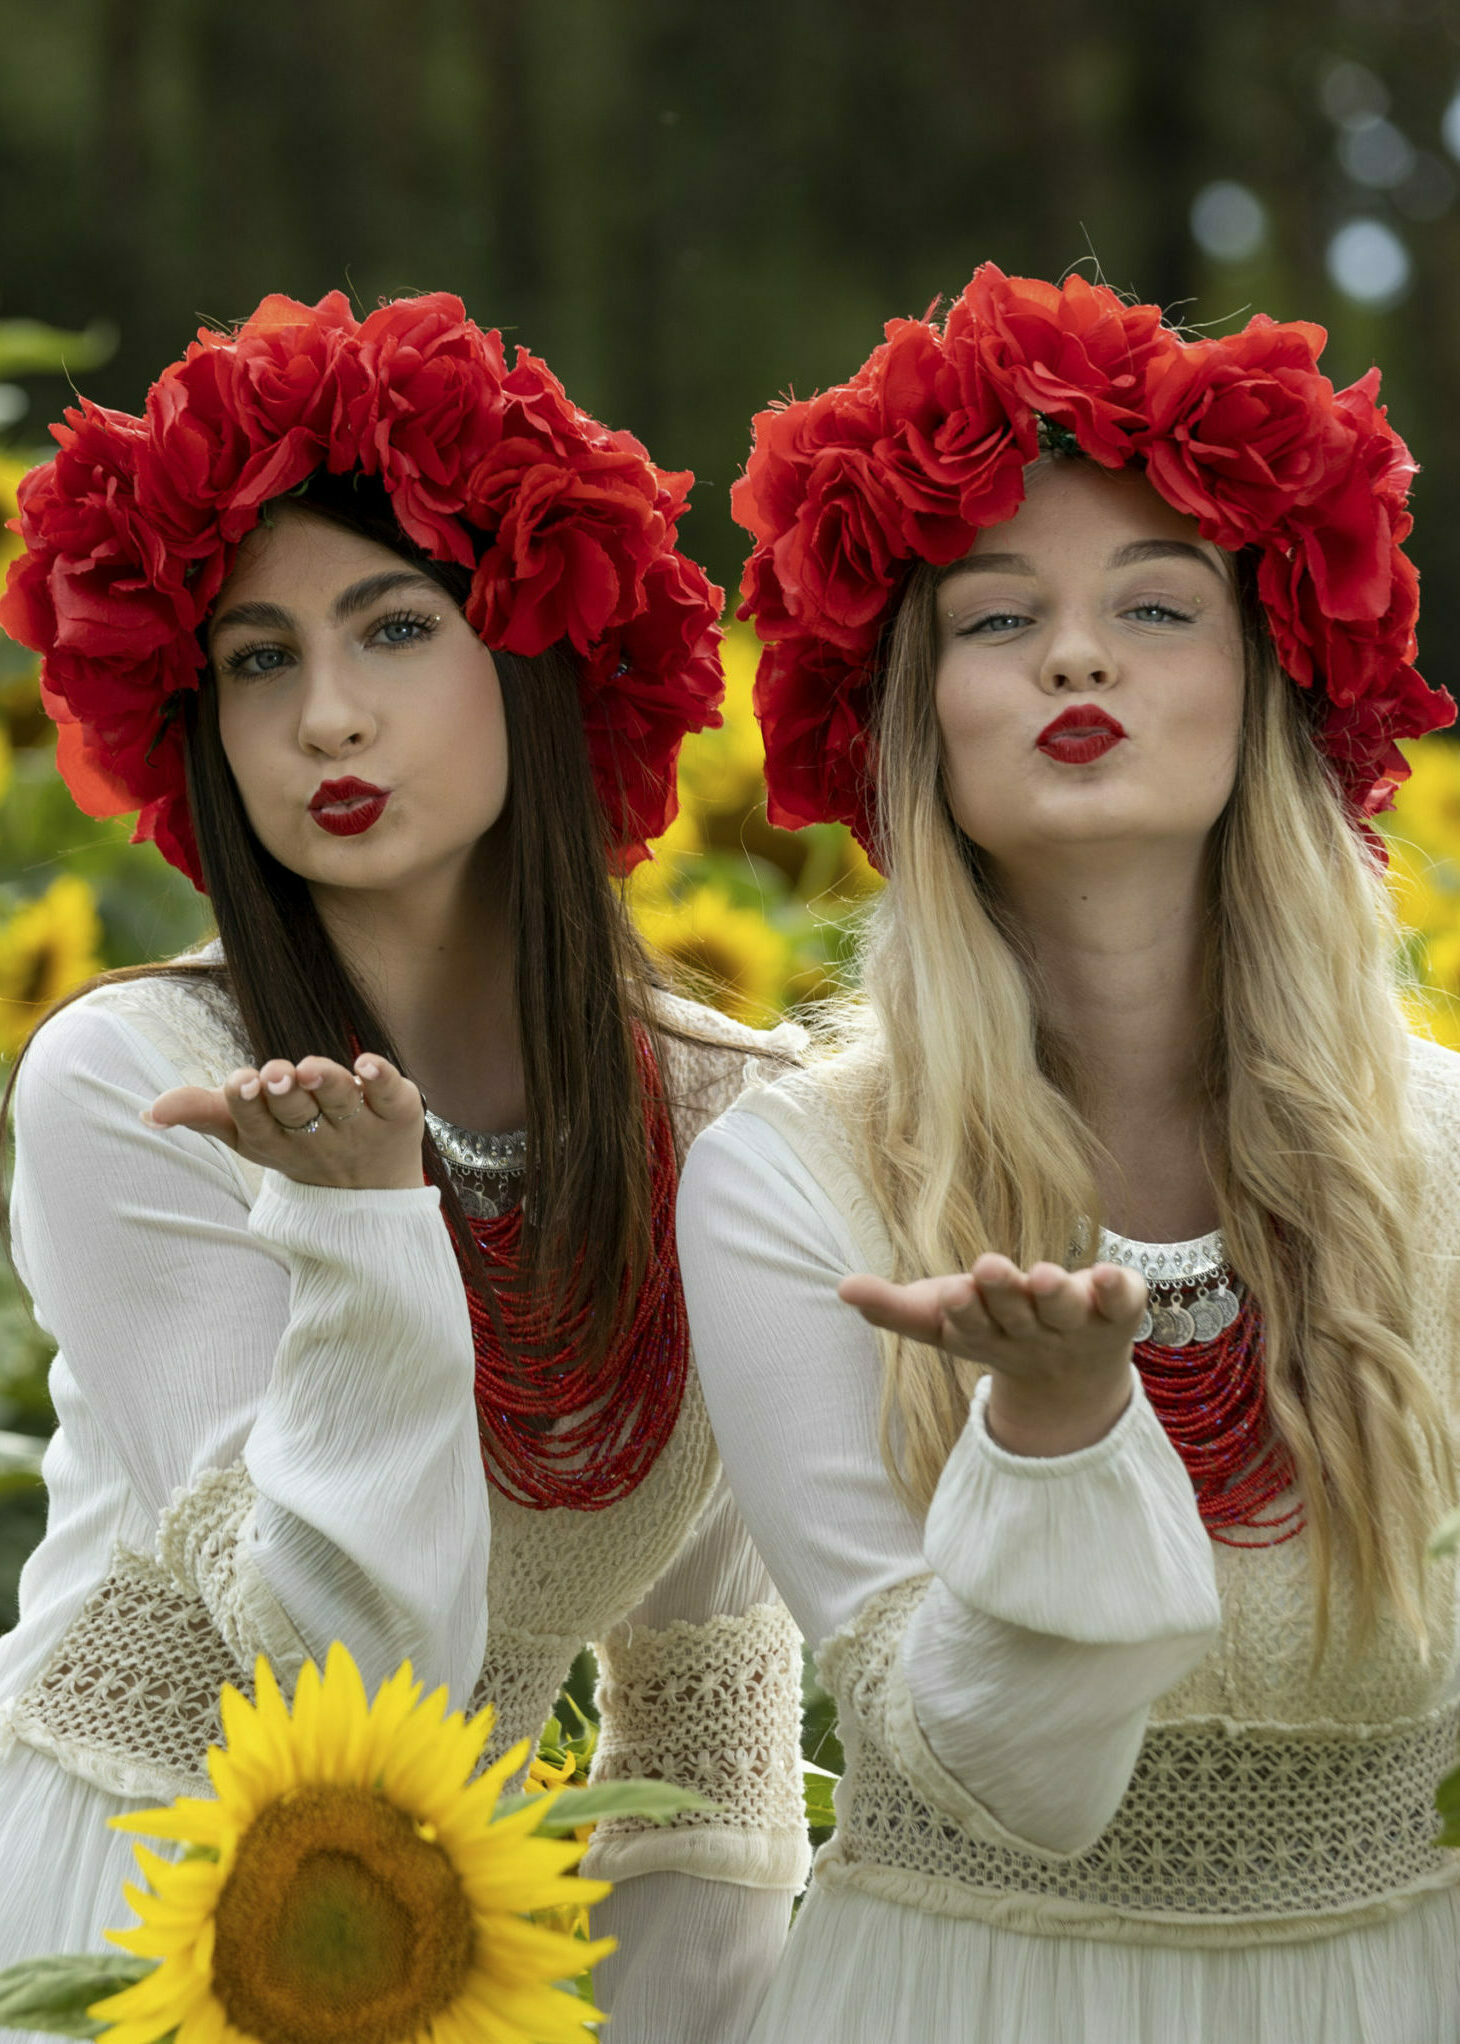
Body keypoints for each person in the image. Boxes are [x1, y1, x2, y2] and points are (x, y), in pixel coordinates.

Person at [0, 289, 810, 2043]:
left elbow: (709, 1724)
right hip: (137, 1921)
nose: (328, 719)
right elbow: (356, 1674)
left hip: (469, 1965)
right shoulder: (135, 1082)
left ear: (533, 641)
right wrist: (367, 1236)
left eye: (395, 628)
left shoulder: (741, 1117)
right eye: (260, 659)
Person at [676, 264, 1460, 2043]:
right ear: (914, 719)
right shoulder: (788, 1178)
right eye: (998, 618)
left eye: (1158, 606)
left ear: (1272, 684)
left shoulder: (1445, 1155)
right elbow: (985, 1774)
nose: (1079, 654)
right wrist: (1050, 1439)